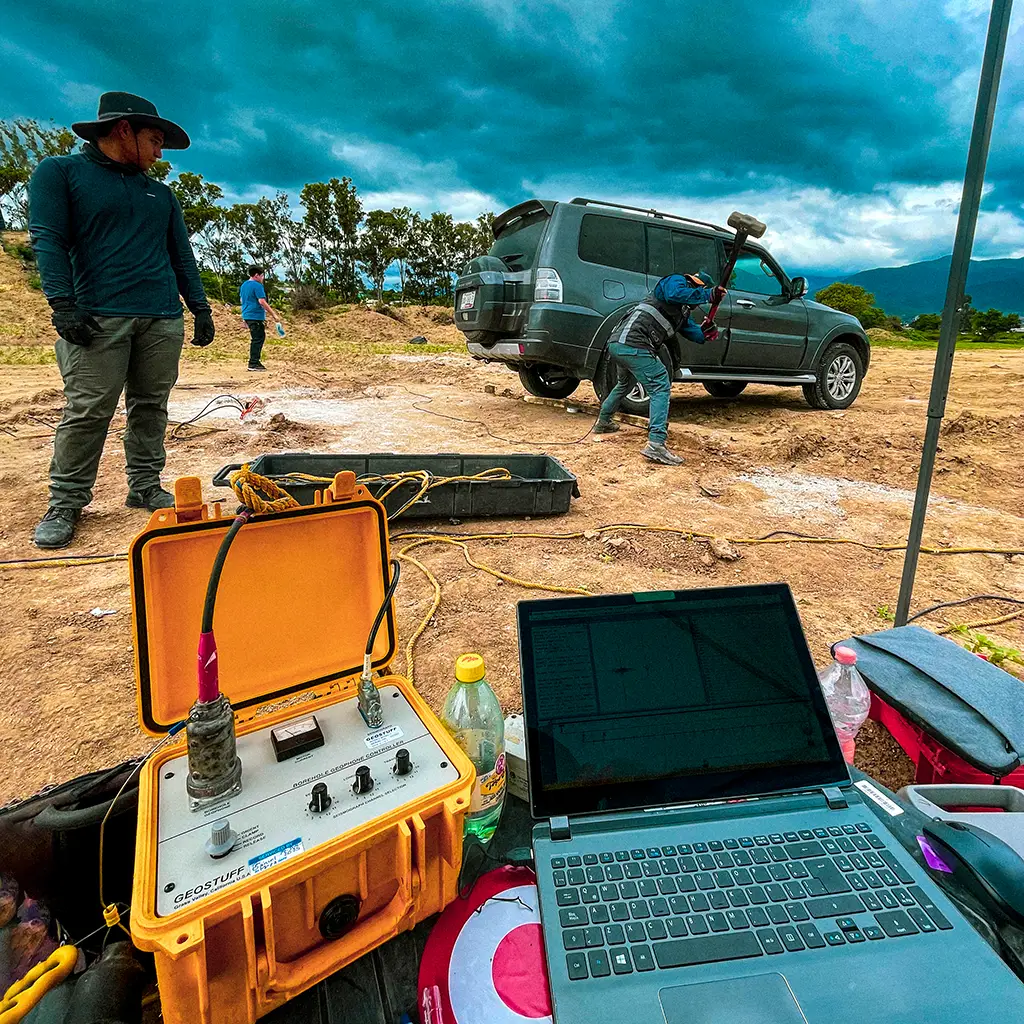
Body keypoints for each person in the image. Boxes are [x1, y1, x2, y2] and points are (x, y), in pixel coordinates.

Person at [28, 92, 214, 549]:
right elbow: (48, 240)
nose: (159, 153)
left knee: (151, 407)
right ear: (123, 130)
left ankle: (145, 485)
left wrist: (200, 307)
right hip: (97, 317)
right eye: (155, 141)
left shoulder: (161, 194)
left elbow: (181, 255)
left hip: (161, 319)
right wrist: (62, 304)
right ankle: (66, 502)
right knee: (88, 410)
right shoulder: (60, 173)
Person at [594, 273, 725, 465]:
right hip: (633, 343)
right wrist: (708, 295)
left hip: (619, 344)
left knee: (624, 384)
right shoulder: (675, 281)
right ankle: (656, 444)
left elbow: (696, 335)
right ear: (694, 285)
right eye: (698, 292)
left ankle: (604, 421)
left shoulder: (680, 314)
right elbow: (675, 293)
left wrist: (707, 331)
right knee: (660, 385)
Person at [239, 266, 281, 371]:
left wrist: (244, 317)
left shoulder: (244, 285)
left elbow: (242, 301)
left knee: (257, 338)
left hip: (248, 315)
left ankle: (254, 362)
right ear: (256, 275)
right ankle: (253, 363)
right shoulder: (257, 285)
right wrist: (274, 314)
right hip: (255, 316)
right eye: (262, 276)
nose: (263, 278)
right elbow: (262, 301)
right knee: (258, 339)